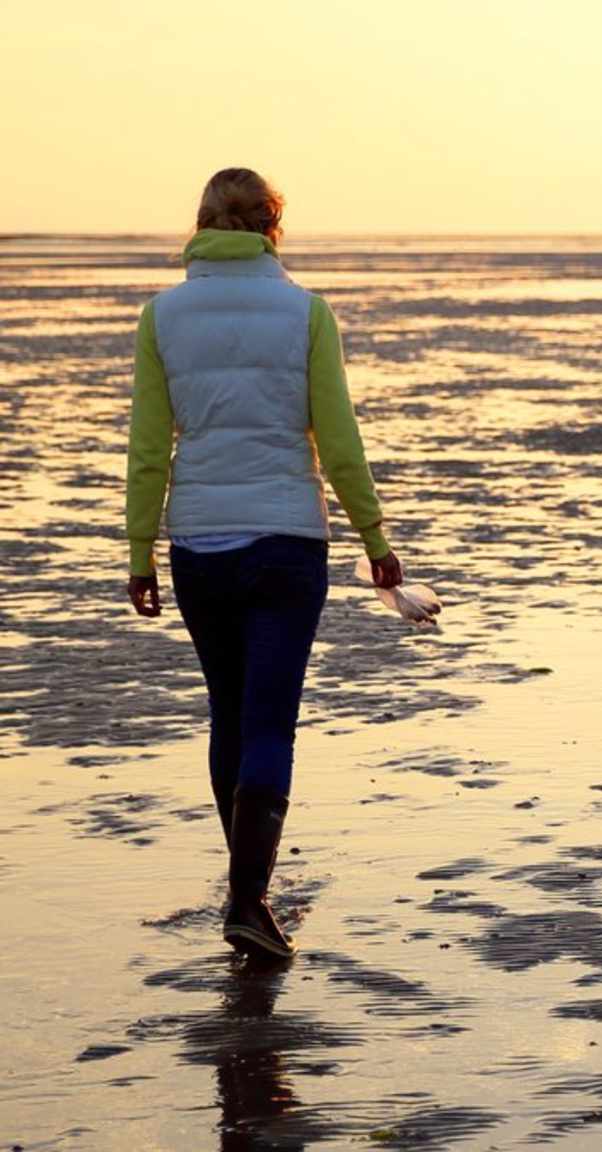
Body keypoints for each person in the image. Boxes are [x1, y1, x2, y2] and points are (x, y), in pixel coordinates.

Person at [124, 168, 402, 959]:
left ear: (204, 223)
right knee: (270, 717)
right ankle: (249, 900)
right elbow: (338, 442)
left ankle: (250, 893)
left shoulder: (162, 316)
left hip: (199, 545)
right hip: (285, 542)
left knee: (231, 711)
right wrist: (376, 543)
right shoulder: (305, 312)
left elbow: (150, 450)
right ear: (273, 227)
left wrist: (139, 551)